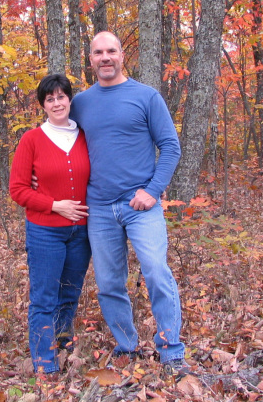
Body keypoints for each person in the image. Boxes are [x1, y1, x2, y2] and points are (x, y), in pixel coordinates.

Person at [70, 31, 190, 377]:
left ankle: (171, 349)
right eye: (98, 53)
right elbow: (62, 141)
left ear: (122, 55)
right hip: (100, 209)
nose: (105, 58)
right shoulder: (80, 103)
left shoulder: (146, 97)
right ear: (90, 59)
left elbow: (170, 146)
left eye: (111, 51)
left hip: (141, 206)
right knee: (108, 282)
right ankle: (127, 346)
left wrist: (152, 190)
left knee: (155, 270)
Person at [9, 74, 91, 374]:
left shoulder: (85, 135)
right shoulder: (31, 140)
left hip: (82, 231)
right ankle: (45, 361)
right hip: (45, 231)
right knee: (44, 297)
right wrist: (55, 205)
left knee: (70, 292)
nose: (57, 103)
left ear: (70, 99)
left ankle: (63, 341)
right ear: (43, 105)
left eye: (61, 96)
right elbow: (17, 189)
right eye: (50, 98)